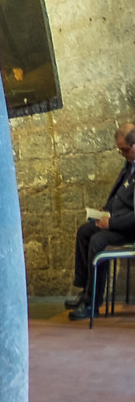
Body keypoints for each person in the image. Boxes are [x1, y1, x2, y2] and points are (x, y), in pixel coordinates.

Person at [65, 122, 135, 318]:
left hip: (129, 228)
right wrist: (105, 210)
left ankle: (92, 304)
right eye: (120, 150)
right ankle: (84, 290)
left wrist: (110, 223)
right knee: (84, 232)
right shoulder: (129, 166)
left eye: (124, 149)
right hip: (117, 221)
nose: (122, 154)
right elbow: (120, 197)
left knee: (97, 241)